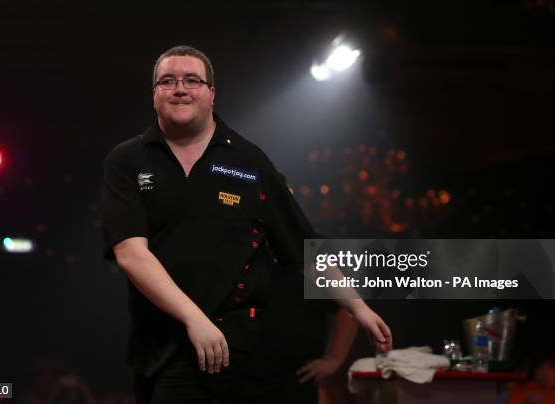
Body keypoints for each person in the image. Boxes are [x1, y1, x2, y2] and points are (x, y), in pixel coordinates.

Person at [101, 45, 391, 403]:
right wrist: (192, 317)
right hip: (153, 341)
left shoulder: (250, 162)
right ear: (154, 94)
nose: (179, 88)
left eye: (192, 80)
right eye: (167, 81)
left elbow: (303, 247)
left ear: (211, 93)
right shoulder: (127, 159)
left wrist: (357, 306)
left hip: (225, 345)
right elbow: (130, 254)